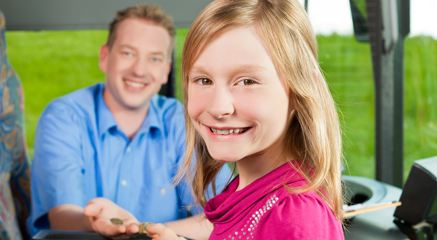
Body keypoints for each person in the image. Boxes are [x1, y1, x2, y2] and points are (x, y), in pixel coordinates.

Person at [143, 0, 345, 239]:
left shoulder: (295, 218)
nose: (218, 108)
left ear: (302, 90)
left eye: (247, 81)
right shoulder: (246, 191)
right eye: (204, 80)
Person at [27, 4, 232, 239]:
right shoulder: (63, 117)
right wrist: (95, 222)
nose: (139, 70)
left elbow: (222, 215)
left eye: (154, 58)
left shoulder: (179, 120)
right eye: (128, 53)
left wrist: (139, 231)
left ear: (166, 70)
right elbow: (60, 216)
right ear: (105, 57)